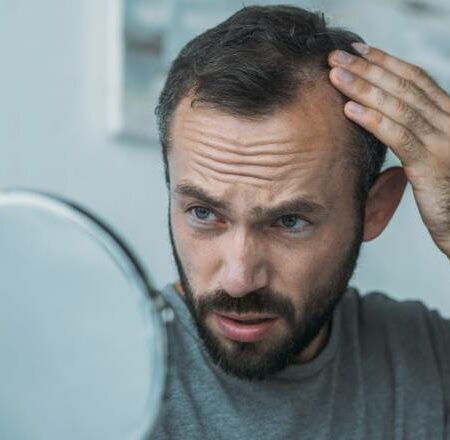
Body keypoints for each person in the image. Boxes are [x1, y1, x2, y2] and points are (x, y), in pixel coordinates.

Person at [151, 5, 450, 439]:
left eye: (289, 221)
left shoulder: (425, 361)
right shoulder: (98, 372)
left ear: (376, 208)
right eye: (204, 213)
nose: (239, 280)